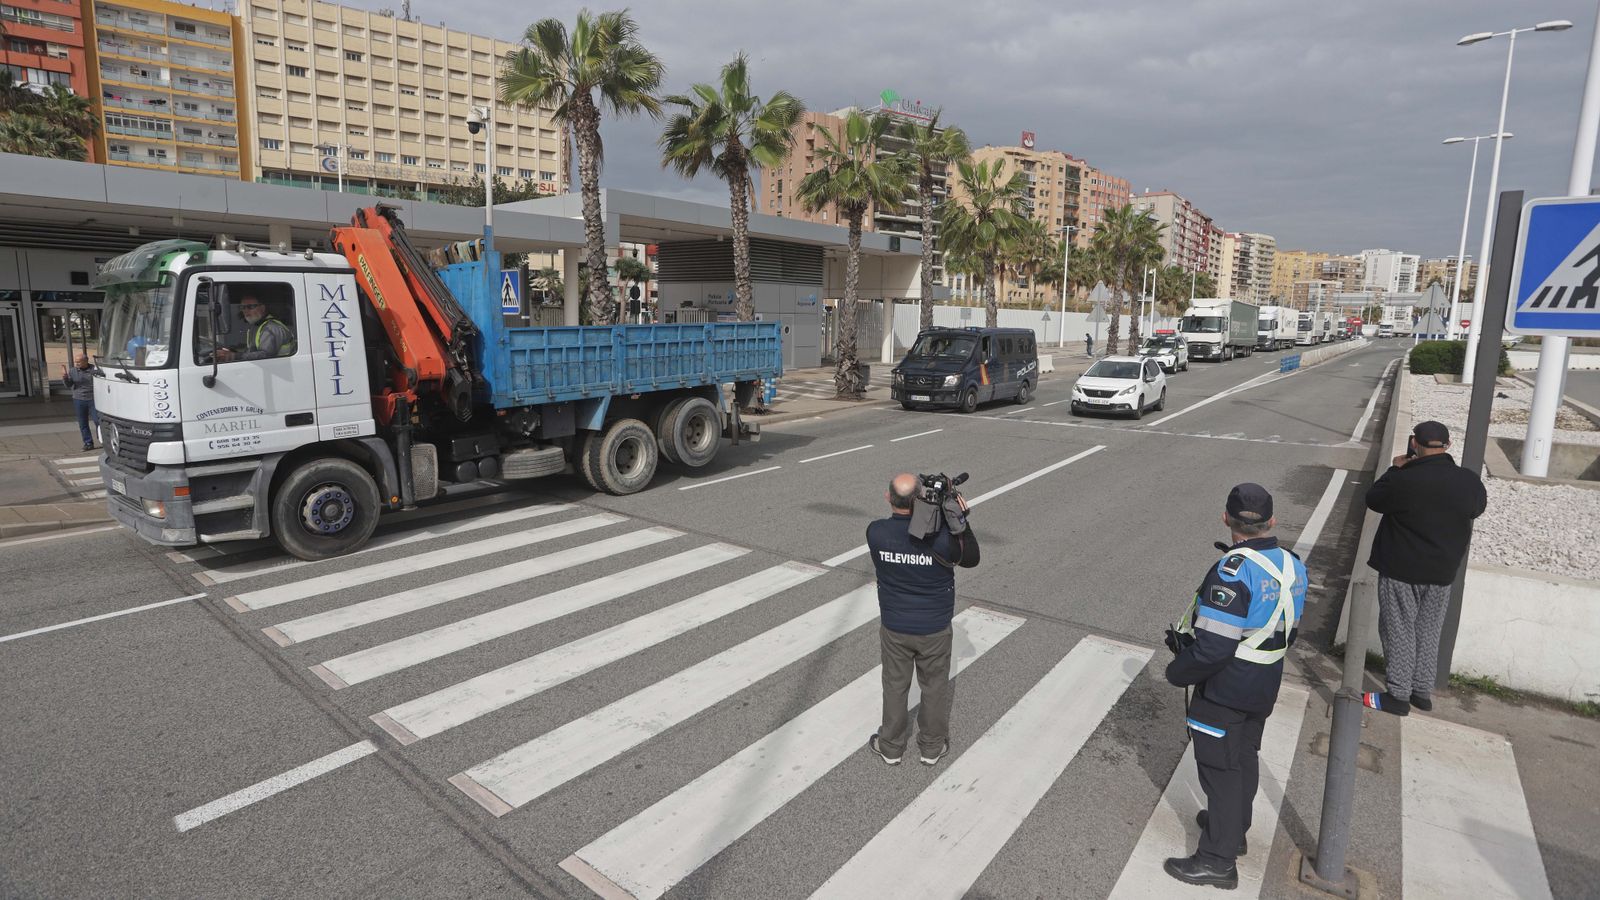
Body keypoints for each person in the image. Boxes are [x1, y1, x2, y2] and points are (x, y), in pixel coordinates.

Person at [1162, 483, 1307, 889]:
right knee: (1243, 757)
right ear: (1272, 521)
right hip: (1265, 681)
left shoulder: (1234, 570)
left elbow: (1213, 649)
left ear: (1226, 519)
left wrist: (1178, 673)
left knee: (1220, 771)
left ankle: (1216, 862)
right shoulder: (1293, 564)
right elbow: (1288, 630)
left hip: (1227, 687)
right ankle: (1233, 830)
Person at [1361, 420, 1488, 716]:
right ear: (1448, 446)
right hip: (1442, 572)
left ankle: (1398, 696)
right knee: (1429, 630)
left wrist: (1396, 468)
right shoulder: (1468, 481)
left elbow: (1374, 499)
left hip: (1401, 570)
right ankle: (1421, 691)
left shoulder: (1404, 479)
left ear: (1414, 443)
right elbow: (1477, 508)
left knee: (1399, 630)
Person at [865, 473, 980, 767]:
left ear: (888, 498)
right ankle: (931, 747)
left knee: (894, 686)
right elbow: (971, 558)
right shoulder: (944, 540)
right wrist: (957, 518)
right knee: (934, 687)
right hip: (934, 628)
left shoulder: (875, 533)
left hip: (894, 627)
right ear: (918, 500)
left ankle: (890, 746)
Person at [215, 294, 295, 361]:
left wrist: (233, 356)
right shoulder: (257, 326)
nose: (246, 311)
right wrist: (232, 351)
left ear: (262, 308)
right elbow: (252, 351)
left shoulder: (271, 328)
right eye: (243, 307)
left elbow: (265, 355)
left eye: (250, 307)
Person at [59, 354, 99, 451]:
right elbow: (68, 385)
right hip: (79, 399)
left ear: (86, 361)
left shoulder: (94, 369)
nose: (76, 363)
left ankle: (103, 440)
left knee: (97, 420)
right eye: (75, 361)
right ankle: (88, 443)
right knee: (82, 423)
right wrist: (65, 377)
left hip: (93, 399)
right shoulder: (73, 371)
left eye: (79, 362)